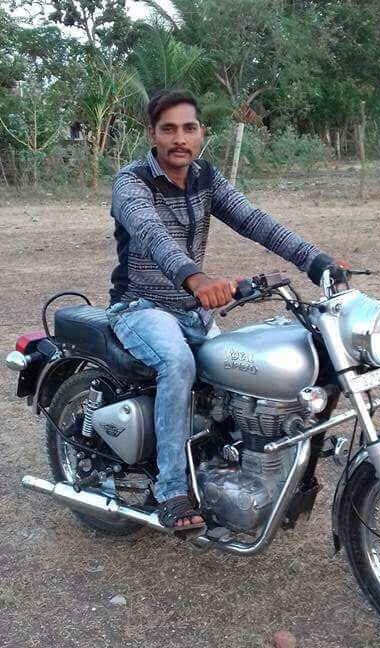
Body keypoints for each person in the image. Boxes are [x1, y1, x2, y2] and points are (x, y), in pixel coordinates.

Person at [107, 89, 349, 531]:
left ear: (201, 132)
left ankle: (233, 464)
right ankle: (172, 490)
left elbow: (255, 221)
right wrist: (195, 278)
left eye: (188, 128)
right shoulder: (132, 182)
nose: (179, 138)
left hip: (191, 311)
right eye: (168, 129)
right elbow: (151, 234)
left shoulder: (205, 178)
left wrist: (316, 261)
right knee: (178, 364)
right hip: (140, 306)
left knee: (237, 373)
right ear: (152, 135)